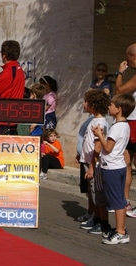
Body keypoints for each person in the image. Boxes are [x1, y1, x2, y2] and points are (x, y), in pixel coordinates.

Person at [91, 93, 135, 244]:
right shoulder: (125, 126)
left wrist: (99, 135)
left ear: (119, 109)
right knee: (119, 200)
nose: (109, 106)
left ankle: (120, 231)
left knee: (117, 201)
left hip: (112, 167)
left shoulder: (117, 127)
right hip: (119, 166)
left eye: (111, 105)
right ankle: (120, 230)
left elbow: (108, 148)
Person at [79, 89, 111, 235]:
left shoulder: (100, 123)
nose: (84, 104)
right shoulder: (94, 119)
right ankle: (96, 217)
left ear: (94, 104)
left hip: (95, 164)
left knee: (97, 193)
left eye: (86, 102)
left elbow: (97, 147)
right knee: (92, 193)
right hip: (87, 161)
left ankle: (102, 222)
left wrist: (92, 166)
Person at [0, 40, 25, 135]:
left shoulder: (9, 72)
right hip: (14, 115)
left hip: (4, 116)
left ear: (4, 55)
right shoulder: (19, 70)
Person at [115, 43, 136, 217]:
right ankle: (126, 202)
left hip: (134, 122)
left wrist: (120, 72)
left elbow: (119, 91)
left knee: (126, 163)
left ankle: (125, 202)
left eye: (127, 58)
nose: (127, 61)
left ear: (133, 57)